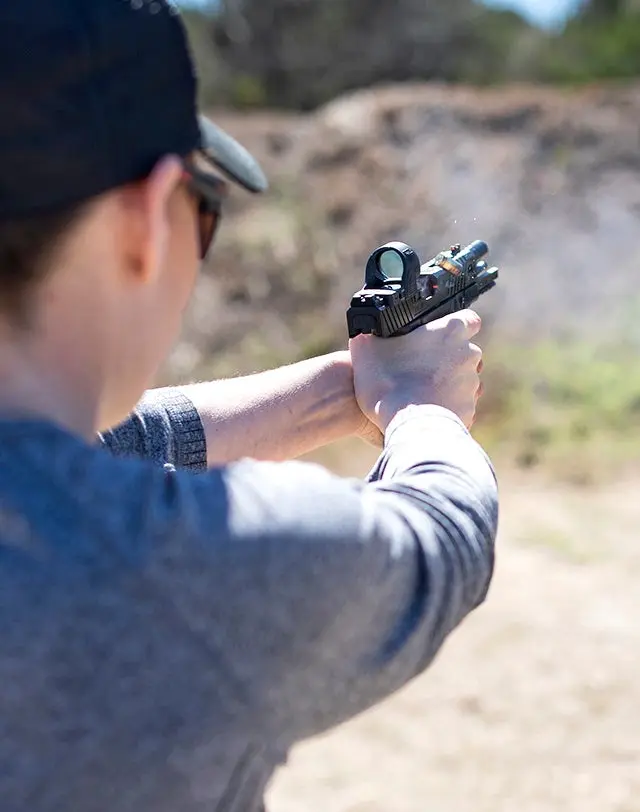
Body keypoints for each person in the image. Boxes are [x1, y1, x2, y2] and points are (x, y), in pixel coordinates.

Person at [0, 2, 498, 812]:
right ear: (144, 217)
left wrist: (351, 386)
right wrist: (421, 412)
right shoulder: (177, 568)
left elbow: (96, 448)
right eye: (202, 211)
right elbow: (440, 547)